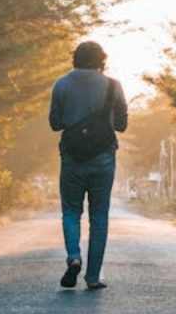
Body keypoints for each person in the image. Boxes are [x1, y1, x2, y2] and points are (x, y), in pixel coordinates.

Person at [48, 41, 128, 289]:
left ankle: (74, 256)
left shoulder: (61, 84)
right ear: (101, 60)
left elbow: (55, 124)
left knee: (71, 211)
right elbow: (121, 125)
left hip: (72, 158)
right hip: (103, 158)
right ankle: (93, 277)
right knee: (99, 215)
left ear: (75, 58)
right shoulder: (114, 86)